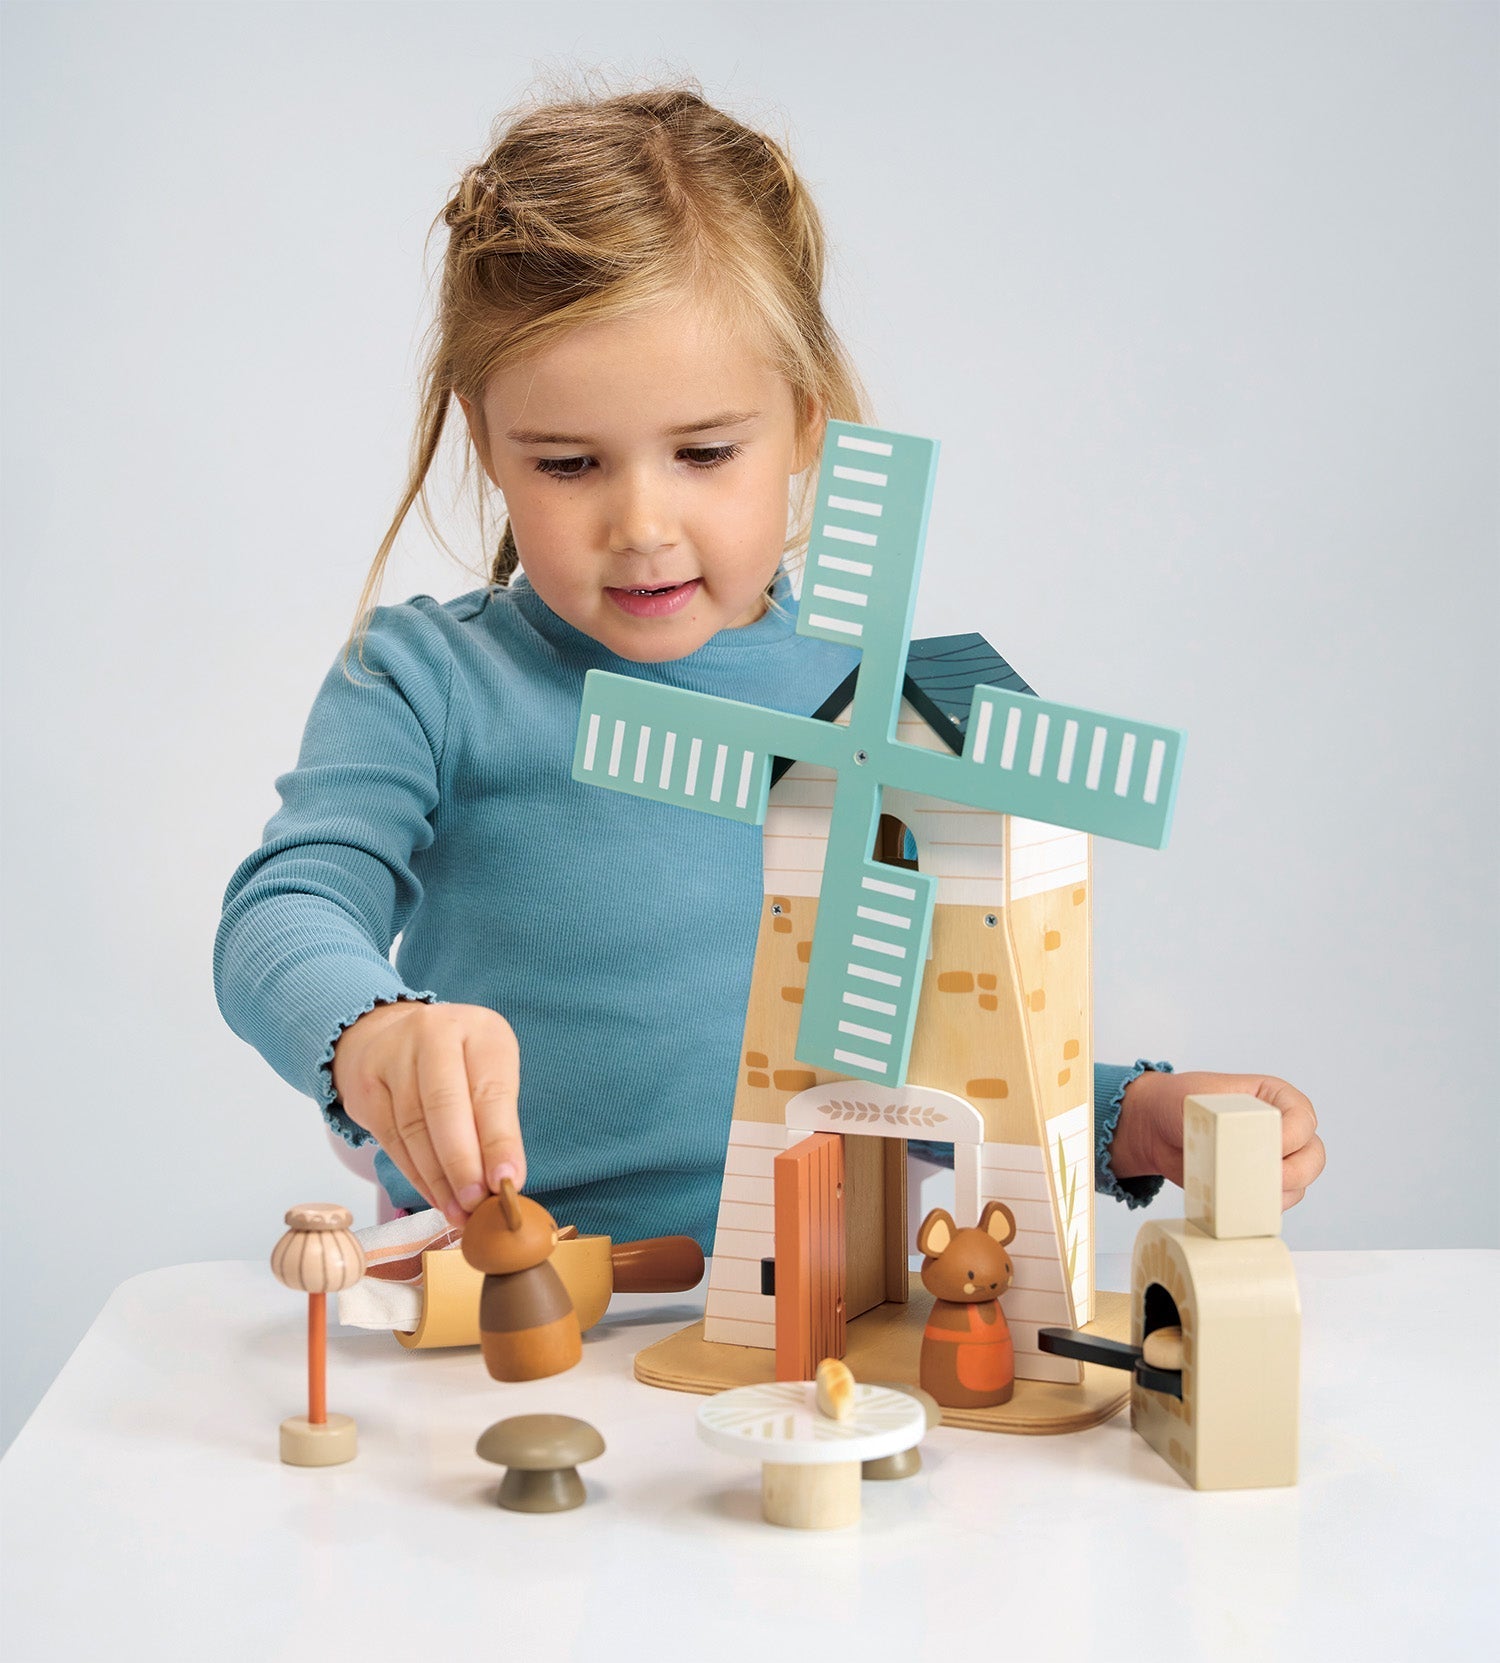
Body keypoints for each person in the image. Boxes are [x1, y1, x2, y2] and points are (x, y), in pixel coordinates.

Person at [214, 83, 1325, 1247]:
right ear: (485, 437)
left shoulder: (876, 707)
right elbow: (283, 908)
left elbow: (936, 1038)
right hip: (514, 1314)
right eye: (568, 464)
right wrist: (374, 1029)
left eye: (703, 451)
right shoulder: (426, 685)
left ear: (803, 422)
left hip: (827, 1324)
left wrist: (1125, 1114)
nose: (642, 523)